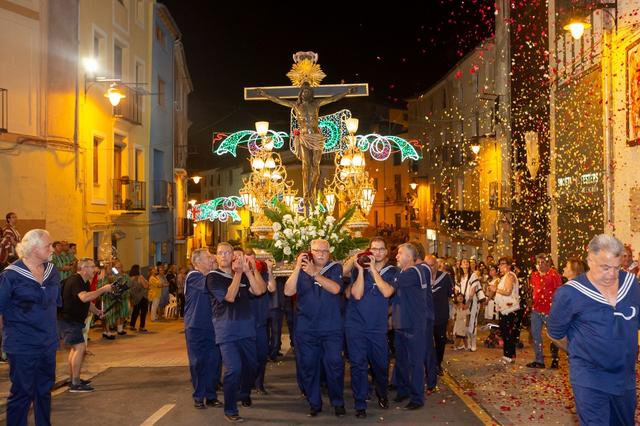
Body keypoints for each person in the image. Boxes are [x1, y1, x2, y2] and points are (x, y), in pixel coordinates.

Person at [548, 234, 640, 426]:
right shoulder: (570, 293)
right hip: (589, 378)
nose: (611, 275)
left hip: (625, 376)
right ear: (590, 260)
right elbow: (555, 334)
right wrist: (582, 352)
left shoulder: (631, 285)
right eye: (605, 268)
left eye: (616, 267)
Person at [0, 229, 59, 426]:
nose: (52, 249)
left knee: (44, 391)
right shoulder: (11, 276)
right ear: (34, 249)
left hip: (48, 343)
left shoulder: (52, 271)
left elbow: (55, 305)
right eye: (48, 246)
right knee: (22, 393)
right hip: (22, 345)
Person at [258, 83, 352, 205]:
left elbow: (332, 99)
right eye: (304, 92)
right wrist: (265, 94)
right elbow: (279, 100)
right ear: (300, 94)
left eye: (308, 92)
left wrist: (347, 92)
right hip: (304, 137)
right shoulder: (296, 106)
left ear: (311, 94)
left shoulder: (316, 104)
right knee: (306, 165)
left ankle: (312, 189)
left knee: (316, 167)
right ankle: (307, 193)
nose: (305, 94)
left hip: (316, 137)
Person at [285, 239, 346, 417]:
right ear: (310, 252)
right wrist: (298, 267)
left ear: (329, 252)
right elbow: (288, 291)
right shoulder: (301, 270)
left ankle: (338, 401)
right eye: (316, 251)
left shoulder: (335, 268)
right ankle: (314, 402)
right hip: (307, 328)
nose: (320, 254)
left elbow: (335, 289)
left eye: (324, 251)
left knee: (334, 364)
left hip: (331, 327)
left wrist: (315, 274)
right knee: (309, 365)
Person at [207, 243, 265, 423]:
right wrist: (239, 274)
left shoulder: (240, 275)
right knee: (234, 369)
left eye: (227, 252)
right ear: (216, 257)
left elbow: (260, 290)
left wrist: (248, 271)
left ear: (233, 255)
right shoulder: (213, 277)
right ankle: (230, 408)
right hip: (227, 331)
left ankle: (244, 393)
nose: (223, 255)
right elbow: (230, 297)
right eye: (220, 253)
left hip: (246, 329)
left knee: (252, 366)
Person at [344, 237, 397, 418]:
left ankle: (382, 392)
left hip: (377, 327)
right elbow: (356, 295)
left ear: (386, 252)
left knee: (380, 365)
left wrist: (373, 270)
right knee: (358, 365)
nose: (377, 252)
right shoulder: (359, 269)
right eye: (374, 249)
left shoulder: (392, 271)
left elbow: (387, 291)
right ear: (369, 250)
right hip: (356, 325)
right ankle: (360, 403)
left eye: (381, 249)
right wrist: (359, 271)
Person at [59, 258, 112, 392]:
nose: (95, 270)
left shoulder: (84, 282)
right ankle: (75, 384)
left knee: (75, 349)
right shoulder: (76, 280)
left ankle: (73, 379)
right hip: (68, 319)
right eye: (92, 267)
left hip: (72, 320)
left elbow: (87, 303)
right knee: (80, 348)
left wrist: (97, 312)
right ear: (83, 268)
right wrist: (103, 289)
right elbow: (84, 297)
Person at [391, 243, 428, 410]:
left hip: (413, 325)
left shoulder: (414, 272)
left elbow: (389, 289)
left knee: (415, 362)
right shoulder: (402, 272)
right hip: (402, 323)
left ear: (410, 256)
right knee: (402, 361)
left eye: (400, 253)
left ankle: (417, 397)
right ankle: (403, 390)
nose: (397, 256)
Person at [185, 248, 222, 409]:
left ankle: (211, 395)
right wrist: (217, 270)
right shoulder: (193, 276)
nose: (212, 259)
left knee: (213, 362)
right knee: (198, 362)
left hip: (212, 326)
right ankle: (199, 396)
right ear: (198, 262)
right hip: (196, 327)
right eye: (209, 257)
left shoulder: (208, 277)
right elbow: (209, 285)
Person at [526, 253, 563, 369]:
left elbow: (559, 292)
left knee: (553, 336)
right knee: (536, 335)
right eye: (538, 263)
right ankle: (539, 360)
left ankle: (555, 359)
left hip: (550, 310)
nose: (540, 265)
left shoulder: (554, 275)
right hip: (536, 310)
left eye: (543, 262)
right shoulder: (534, 275)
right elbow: (532, 290)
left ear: (548, 263)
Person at [244, 248, 271, 394]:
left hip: (260, 321)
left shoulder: (263, 273)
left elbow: (268, 288)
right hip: (245, 323)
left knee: (261, 354)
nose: (249, 262)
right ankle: (248, 384)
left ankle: (259, 382)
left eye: (251, 259)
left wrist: (255, 271)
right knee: (248, 357)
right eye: (246, 259)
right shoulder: (240, 276)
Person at [425, 255, 454, 375]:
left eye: (432, 265)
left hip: (441, 316)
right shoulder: (421, 277)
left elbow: (450, 294)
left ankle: (438, 364)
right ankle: (428, 365)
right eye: (426, 266)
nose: (429, 268)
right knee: (426, 342)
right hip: (425, 316)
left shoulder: (445, 277)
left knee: (440, 341)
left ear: (437, 265)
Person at [494, 257, 520, 364]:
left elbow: (508, 291)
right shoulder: (505, 276)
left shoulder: (510, 275)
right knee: (506, 332)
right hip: (505, 309)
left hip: (509, 309)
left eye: (502, 264)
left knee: (508, 333)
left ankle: (508, 356)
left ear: (508, 265)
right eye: (499, 264)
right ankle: (510, 355)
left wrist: (495, 289)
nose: (500, 266)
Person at [456, 259, 482, 351]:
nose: (466, 263)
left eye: (467, 262)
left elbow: (473, 290)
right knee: (464, 323)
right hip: (462, 303)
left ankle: (473, 343)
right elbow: (457, 290)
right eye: (463, 262)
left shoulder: (473, 275)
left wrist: (468, 302)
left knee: (472, 321)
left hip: (472, 302)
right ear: (460, 266)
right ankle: (467, 343)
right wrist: (459, 302)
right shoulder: (459, 276)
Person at [128, 264, 149, 332]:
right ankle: (142, 326)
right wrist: (147, 283)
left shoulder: (130, 278)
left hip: (135, 297)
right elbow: (146, 286)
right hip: (142, 297)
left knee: (135, 312)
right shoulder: (140, 277)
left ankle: (132, 325)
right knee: (143, 312)